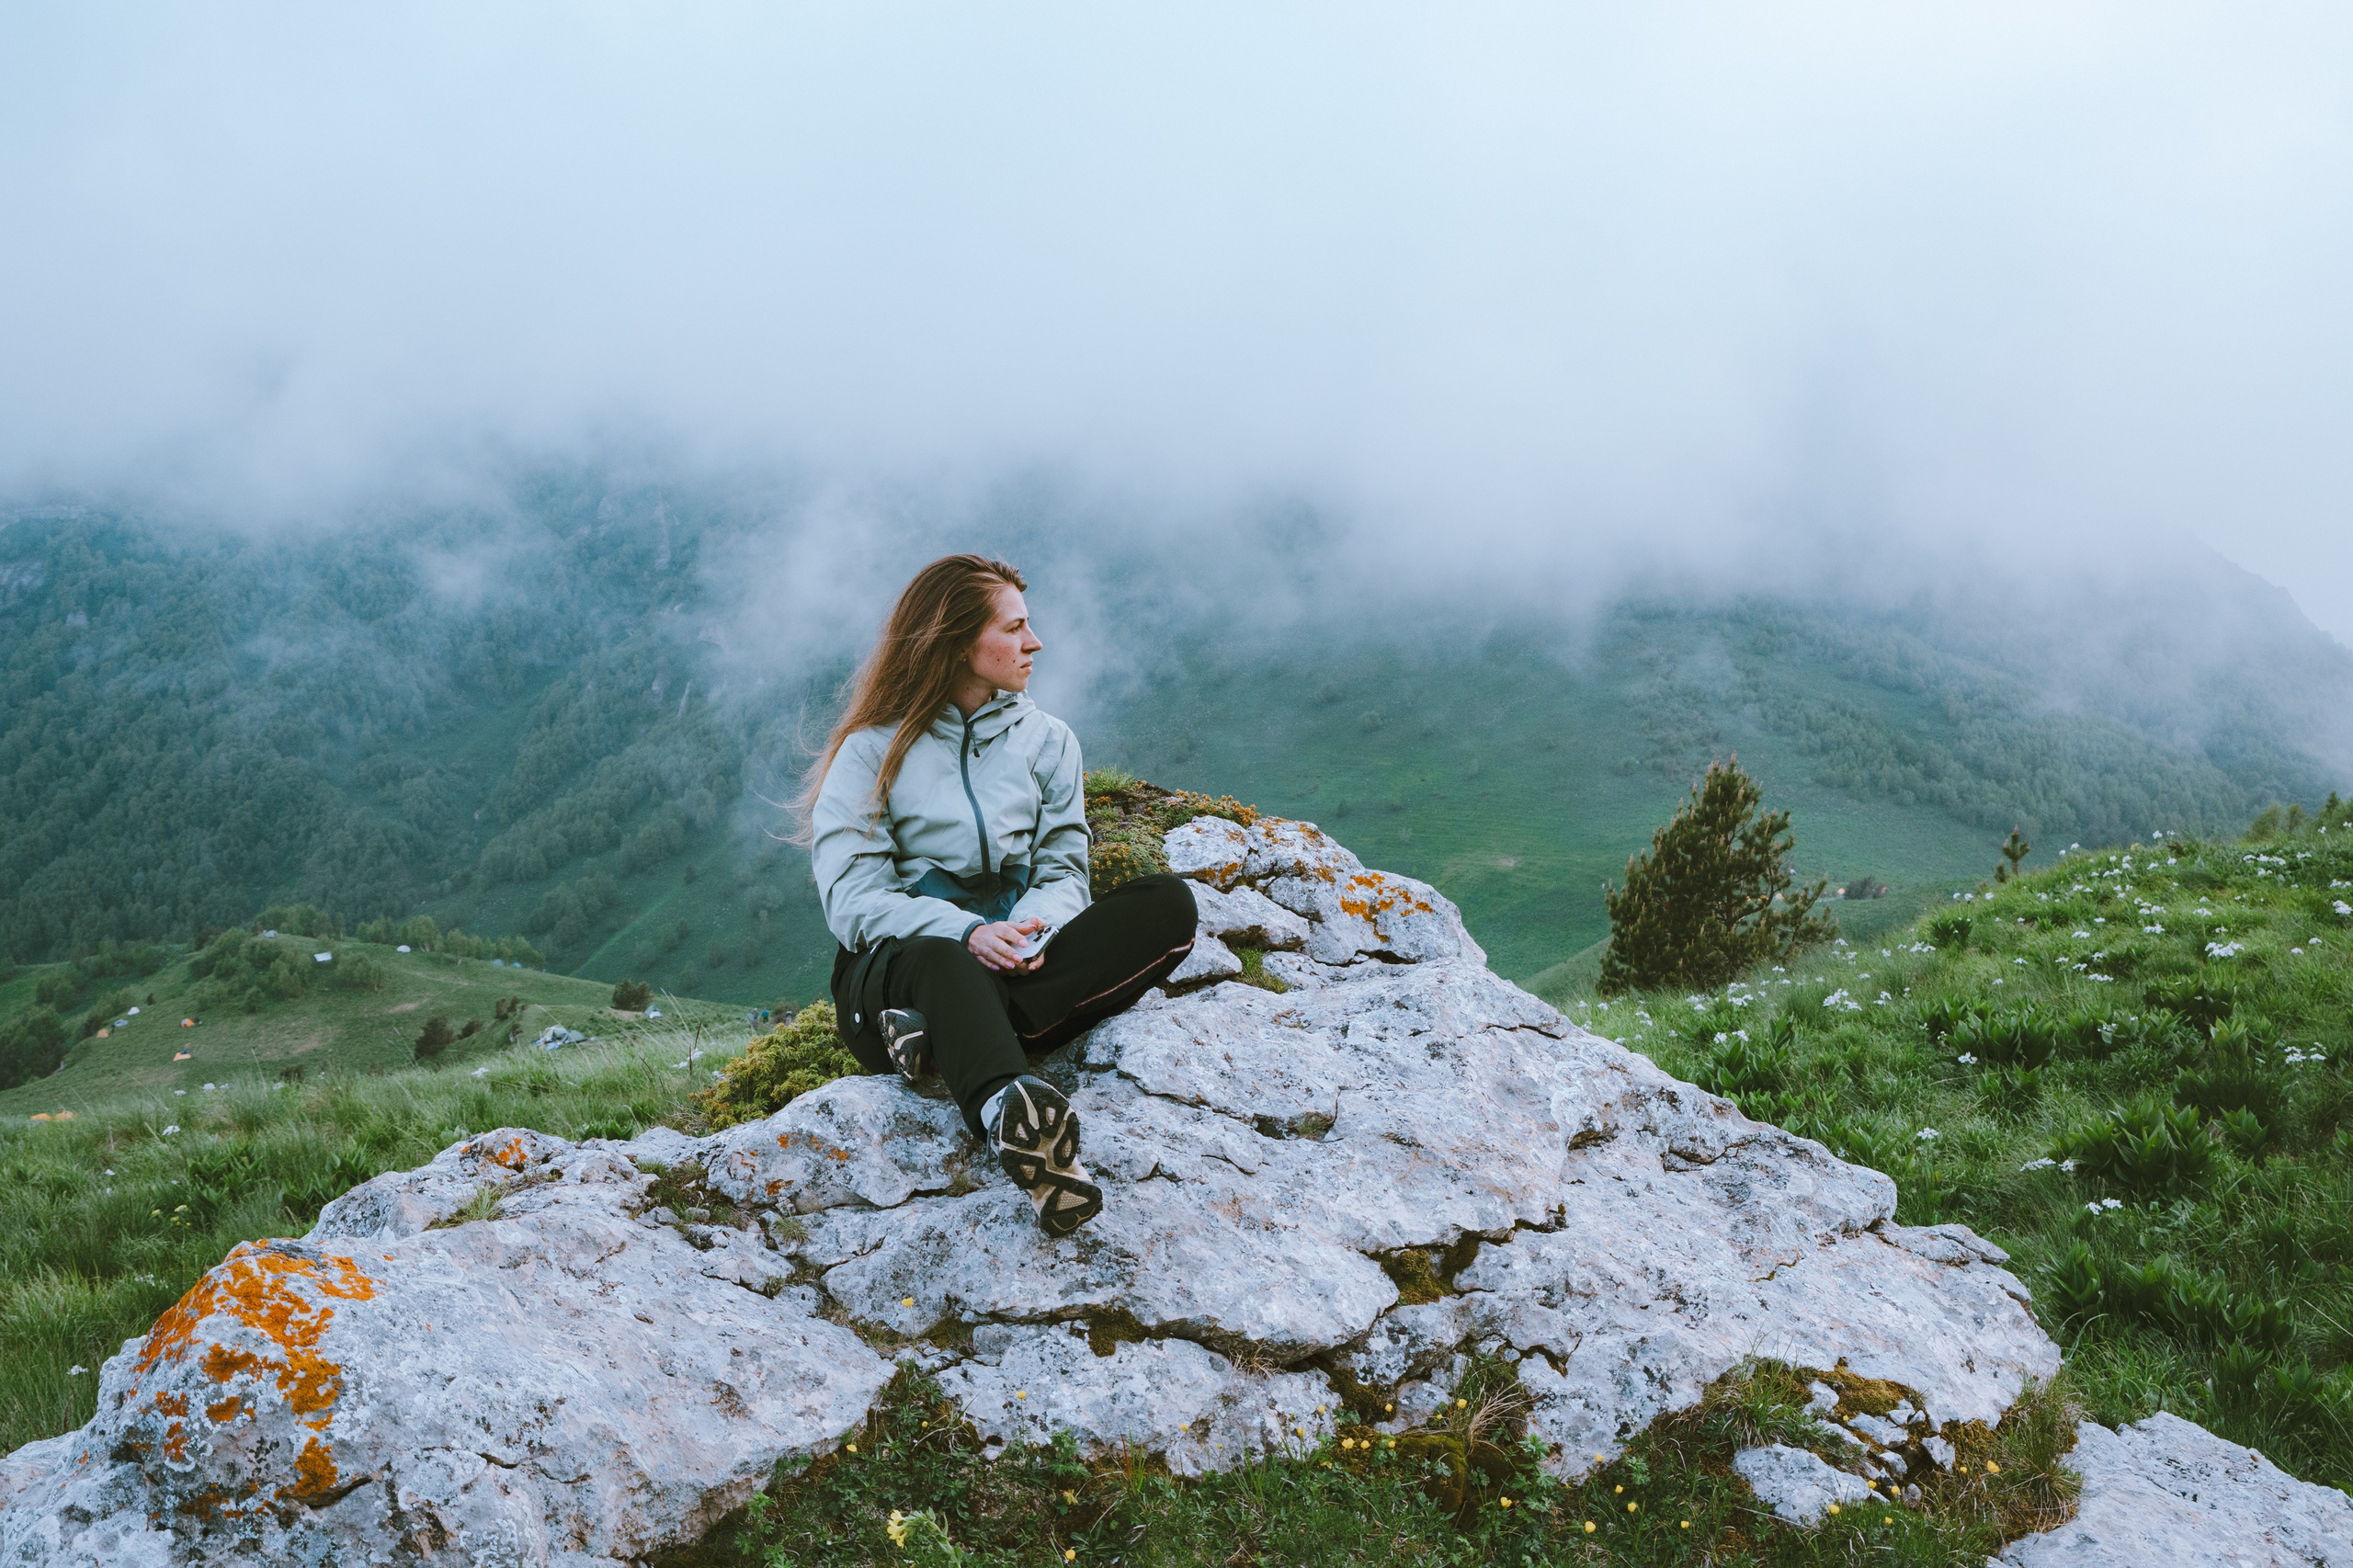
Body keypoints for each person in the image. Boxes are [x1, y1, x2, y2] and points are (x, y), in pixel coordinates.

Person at [801, 554, 1198, 1235]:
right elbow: (853, 900)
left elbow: (1063, 869)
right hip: (898, 976)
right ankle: (1017, 1126)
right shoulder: (870, 752)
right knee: (944, 962)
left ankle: (948, 1040)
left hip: (1014, 953)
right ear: (958, 643)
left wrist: (1027, 931)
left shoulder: (1048, 742)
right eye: (1014, 628)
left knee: (1167, 905)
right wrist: (965, 932)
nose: (1034, 642)